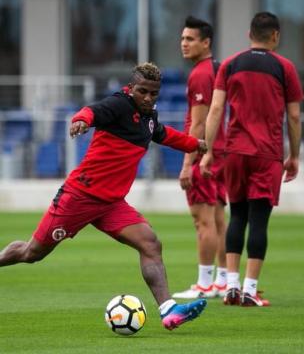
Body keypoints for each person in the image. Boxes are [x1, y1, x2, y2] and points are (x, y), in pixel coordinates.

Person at [0, 62, 207, 330]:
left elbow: (163, 135)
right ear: (131, 88)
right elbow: (92, 111)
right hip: (80, 197)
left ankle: (168, 311)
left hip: (111, 204)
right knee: (32, 253)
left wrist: (195, 144)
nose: (148, 97)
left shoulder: (150, 116)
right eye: (142, 91)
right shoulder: (119, 104)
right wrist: (81, 121)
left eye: (153, 93)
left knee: (150, 243)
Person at [200, 12, 303, 306]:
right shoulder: (285, 67)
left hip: (234, 151)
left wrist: (208, 151)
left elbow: (216, 109)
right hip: (266, 153)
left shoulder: (230, 64)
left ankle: (230, 286)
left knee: (238, 215)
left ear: (249, 35)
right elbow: (294, 115)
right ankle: (249, 290)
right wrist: (293, 155)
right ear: (276, 37)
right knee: (259, 220)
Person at [173, 16, 227, 299]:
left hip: (203, 154)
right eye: (182, 38)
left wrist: (187, 163)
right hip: (219, 153)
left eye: (190, 39)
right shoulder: (215, 69)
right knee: (218, 218)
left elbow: (198, 123)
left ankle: (205, 283)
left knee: (203, 221)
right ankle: (223, 279)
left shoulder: (201, 74)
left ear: (206, 43)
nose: (184, 43)